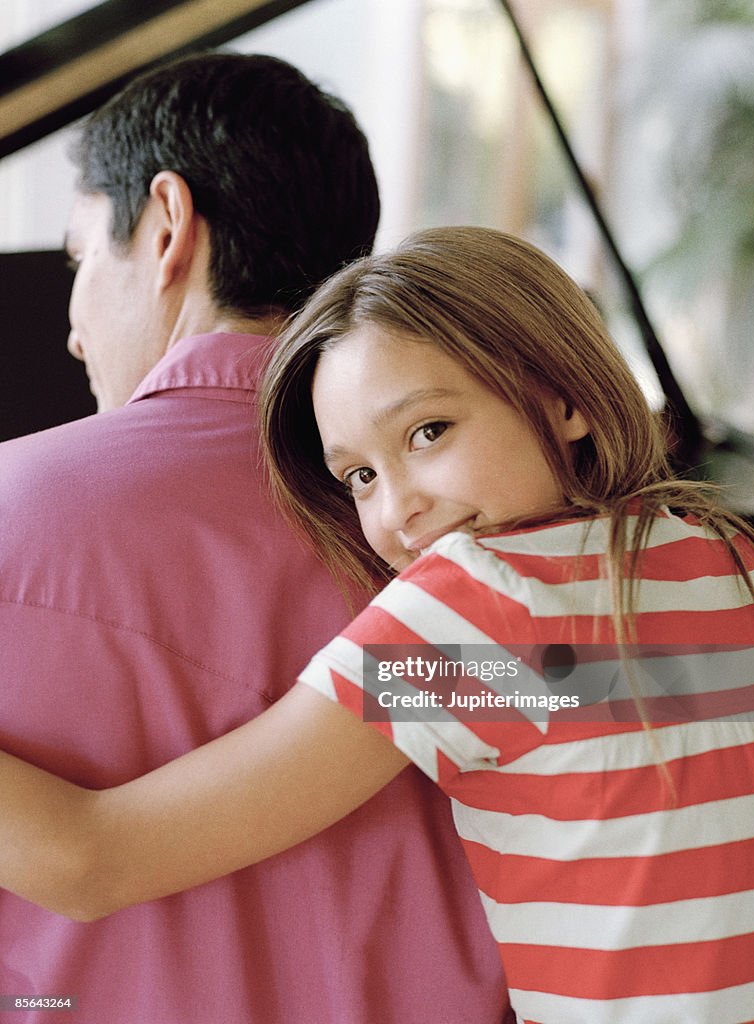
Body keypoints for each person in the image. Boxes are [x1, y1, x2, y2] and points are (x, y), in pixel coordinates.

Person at [2, 226, 754, 1024]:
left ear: (565, 398)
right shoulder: (733, 558)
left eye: (428, 431)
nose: (397, 507)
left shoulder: (477, 607)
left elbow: (95, 861)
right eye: (359, 476)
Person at [0, 61, 514, 1024]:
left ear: (165, 227)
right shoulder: (525, 557)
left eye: (78, 261)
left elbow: (93, 857)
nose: (72, 331)